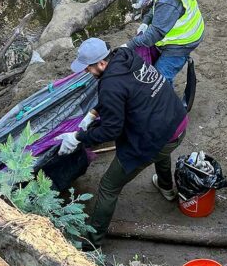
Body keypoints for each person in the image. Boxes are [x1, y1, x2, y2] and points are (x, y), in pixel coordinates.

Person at [58, 38, 188, 250]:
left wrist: (78, 138)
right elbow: (125, 91)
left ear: (101, 63)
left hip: (160, 136)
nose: (87, 72)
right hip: (176, 120)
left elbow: (111, 130)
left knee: (109, 186)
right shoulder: (127, 57)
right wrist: (94, 112)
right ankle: (166, 188)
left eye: (89, 68)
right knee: (163, 148)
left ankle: (92, 245)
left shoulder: (109, 85)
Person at [126, 0, 204, 85]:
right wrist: (146, 21)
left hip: (182, 43)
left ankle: (166, 101)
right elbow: (156, 7)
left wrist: (129, 45)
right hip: (192, 31)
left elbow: (156, 32)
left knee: (159, 80)